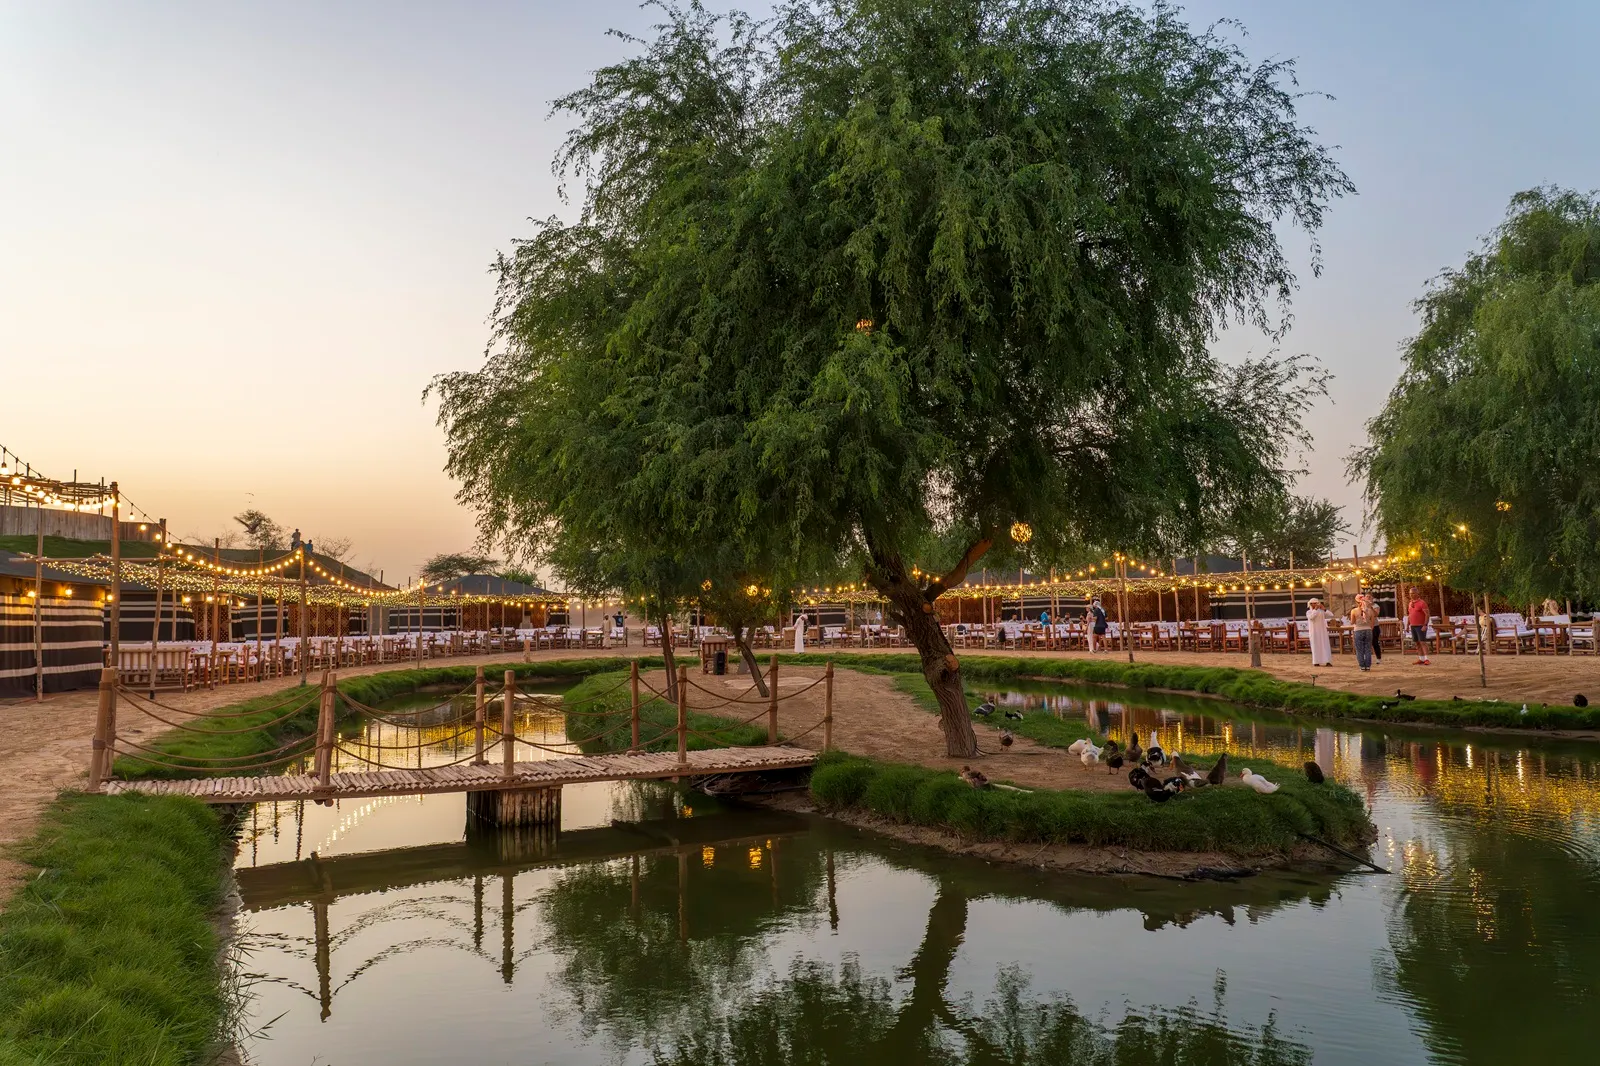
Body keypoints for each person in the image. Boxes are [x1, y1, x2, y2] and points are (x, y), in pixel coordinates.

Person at [1349, 595, 1378, 672]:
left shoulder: (1354, 611)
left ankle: (1362, 666)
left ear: (1356, 602)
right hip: (1368, 630)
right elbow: (1372, 623)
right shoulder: (1370, 611)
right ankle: (1368, 666)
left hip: (1358, 630)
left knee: (1359, 649)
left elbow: (1352, 622)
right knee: (1368, 649)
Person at [1305, 598, 1334, 667]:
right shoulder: (1308, 612)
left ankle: (1327, 661)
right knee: (1315, 646)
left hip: (1322, 631)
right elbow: (1312, 617)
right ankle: (1316, 661)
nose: (1314, 605)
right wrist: (1315, 610)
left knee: (1325, 645)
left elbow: (1331, 615)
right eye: (1313, 603)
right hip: (1314, 632)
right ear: (1310, 604)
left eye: (1316, 603)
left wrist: (1324, 609)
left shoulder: (1322, 611)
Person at [1406, 589, 1432, 665]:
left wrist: (1425, 625)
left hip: (1420, 625)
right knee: (1417, 642)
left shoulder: (1422, 603)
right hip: (1413, 625)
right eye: (1410, 593)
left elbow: (1427, 614)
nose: (1411, 595)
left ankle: (1427, 659)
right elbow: (1409, 615)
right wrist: (1407, 625)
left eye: (1413, 593)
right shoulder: (1410, 603)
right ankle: (1421, 658)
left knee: (1423, 642)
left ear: (1417, 593)